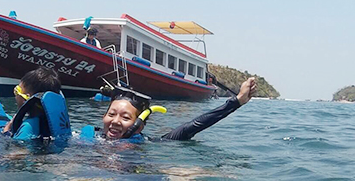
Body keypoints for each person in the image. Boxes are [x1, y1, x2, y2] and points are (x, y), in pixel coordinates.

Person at [99, 77, 257, 141]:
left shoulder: (147, 144)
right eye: (111, 114)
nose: (115, 121)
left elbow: (192, 126)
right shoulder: (87, 138)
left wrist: (236, 101)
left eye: (126, 118)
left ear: (139, 126)